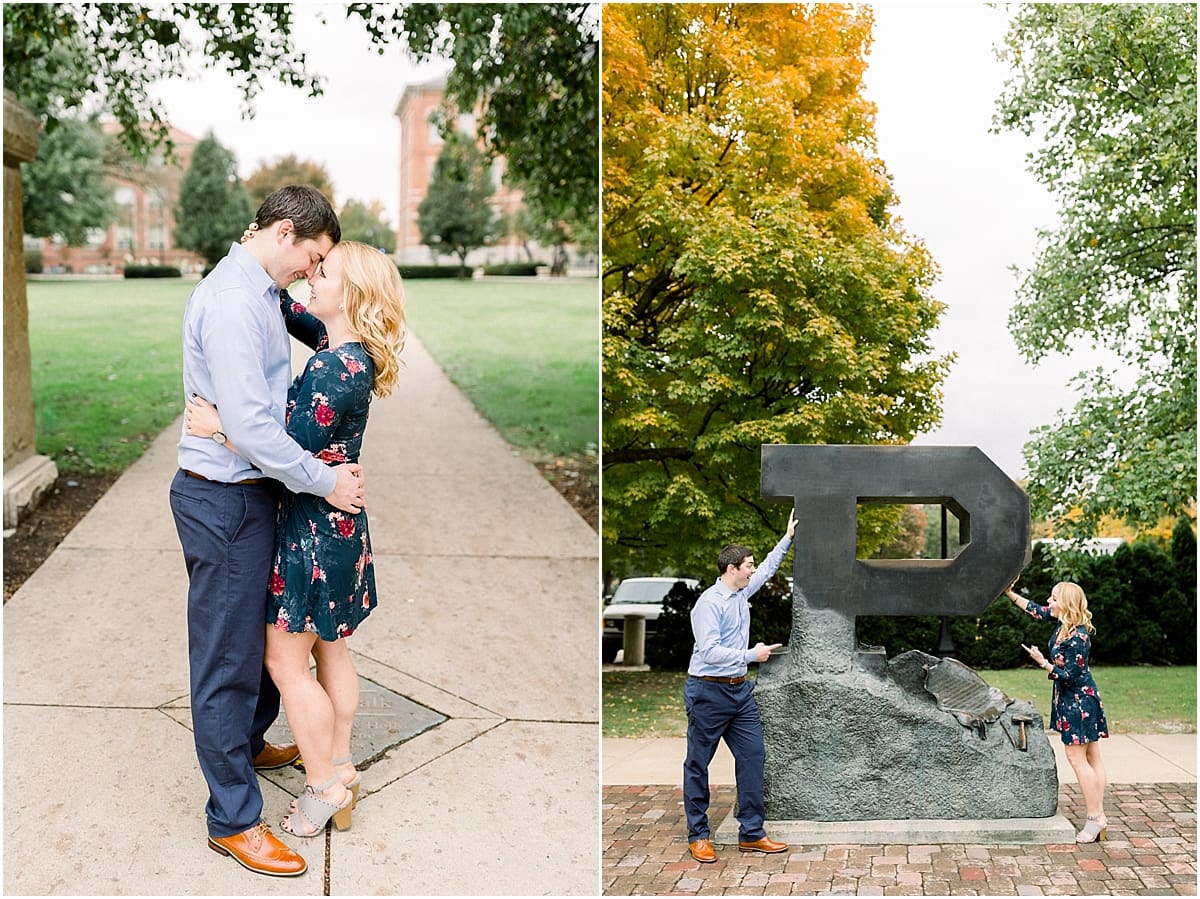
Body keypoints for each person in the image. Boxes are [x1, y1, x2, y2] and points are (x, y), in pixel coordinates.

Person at [169, 185, 364, 878]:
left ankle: (247, 742)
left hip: (252, 494)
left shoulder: (260, 292)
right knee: (225, 662)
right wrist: (327, 479)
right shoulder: (229, 301)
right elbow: (252, 427)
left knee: (261, 643)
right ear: (285, 232)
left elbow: (335, 334)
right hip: (221, 498)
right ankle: (233, 819)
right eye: (311, 259)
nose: (310, 274)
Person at [186, 239, 405, 841]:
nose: (312, 275)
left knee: (286, 661)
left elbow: (283, 450)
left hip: (312, 529)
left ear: (351, 295)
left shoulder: (336, 372)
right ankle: (342, 767)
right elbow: (287, 308)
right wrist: (257, 256)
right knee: (330, 649)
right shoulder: (346, 348)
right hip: (338, 529)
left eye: (324, 272)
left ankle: (323, 788)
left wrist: (218, 427)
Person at [683, 509, 797, 864]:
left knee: (752, 758)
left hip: (739, 693)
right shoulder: (709, 604)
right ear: (731, 569)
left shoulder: (741, 593)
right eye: (747, 564)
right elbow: (710, 651)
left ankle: (751, 833)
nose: (752, 568)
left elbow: (768, 569)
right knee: (698, 764)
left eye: (751, 564)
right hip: (708, 691)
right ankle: (698, 835)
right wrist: (752, 654)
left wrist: (788, 537)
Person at [1004, 581, 1110, 842]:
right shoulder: (1065, 627)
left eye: (1053, 598)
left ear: (1066, 604)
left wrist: (1043, 663)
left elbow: (1070, 676)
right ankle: (1099, 815)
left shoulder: (1077, 638)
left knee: (1078, 758)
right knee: (1092, 757)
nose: (1048, 602)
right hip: (1078, 701)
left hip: (1079, 704)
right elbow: (1035, 610)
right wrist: (1008, 593)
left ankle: (1095, 818)